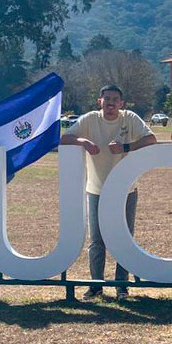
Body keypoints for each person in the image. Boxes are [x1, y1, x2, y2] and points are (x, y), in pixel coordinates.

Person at [60, 85, 157, 301]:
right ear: (99, 101)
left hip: (126, 189)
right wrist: (82, 141)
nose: (111, 103)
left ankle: (122, 286)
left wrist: (126, 147)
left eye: (115, 99)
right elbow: (64, 138)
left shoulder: (129, 118)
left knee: (124, 239)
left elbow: (151, 139)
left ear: (122, 103)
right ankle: (96, 285)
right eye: (107, 99)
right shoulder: (89, 119)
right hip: (96, 190)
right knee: (97, 240)